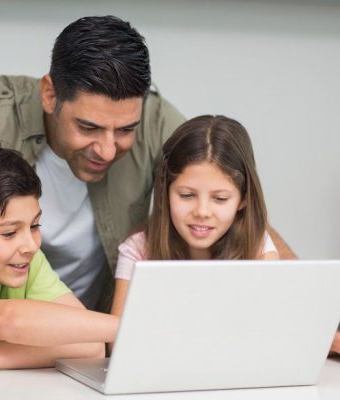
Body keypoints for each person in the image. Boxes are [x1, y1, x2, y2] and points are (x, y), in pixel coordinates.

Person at [0, 16, 295, 312]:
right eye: (88, 127)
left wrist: (321, 321)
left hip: (90, 332)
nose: (108, 150)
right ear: (50, 95)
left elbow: (229, 195)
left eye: (126, 129)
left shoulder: (157, 121)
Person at [0, 140, 118, 375]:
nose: (31, 245)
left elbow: (88, 344)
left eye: (35, 225)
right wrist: (132, 326)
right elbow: (9, 320)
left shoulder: (24, 260)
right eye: (9, 233)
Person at [111, 115, 279, 318]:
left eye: (220, 198)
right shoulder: (138, 250)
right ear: (165, 193)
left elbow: (266, 325)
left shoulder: (258, 249)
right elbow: (117, 340)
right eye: (187, 195)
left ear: (243, 199)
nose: (202, 211)